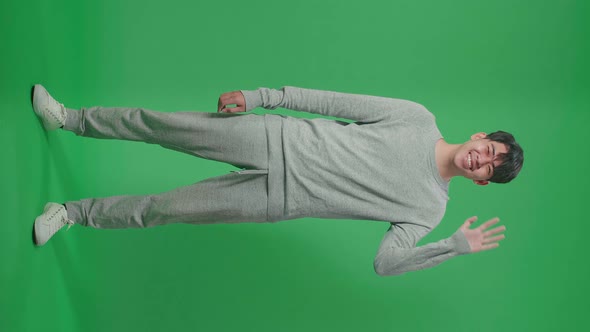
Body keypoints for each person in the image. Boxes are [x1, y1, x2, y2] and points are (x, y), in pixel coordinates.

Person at [31, 84, 524, 276]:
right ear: (481, 136)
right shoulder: (417, 118)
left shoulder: (430, 209)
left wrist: (451, 247)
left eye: (489, 167)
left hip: (274, 198)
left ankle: (71, 215)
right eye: (490, 149)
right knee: (160, 125)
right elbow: (336, 104)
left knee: (162, 210)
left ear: (481, 182)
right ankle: (69, 118)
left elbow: (385, 263)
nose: (482, 158)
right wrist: (262, 94)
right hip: (273, 138)